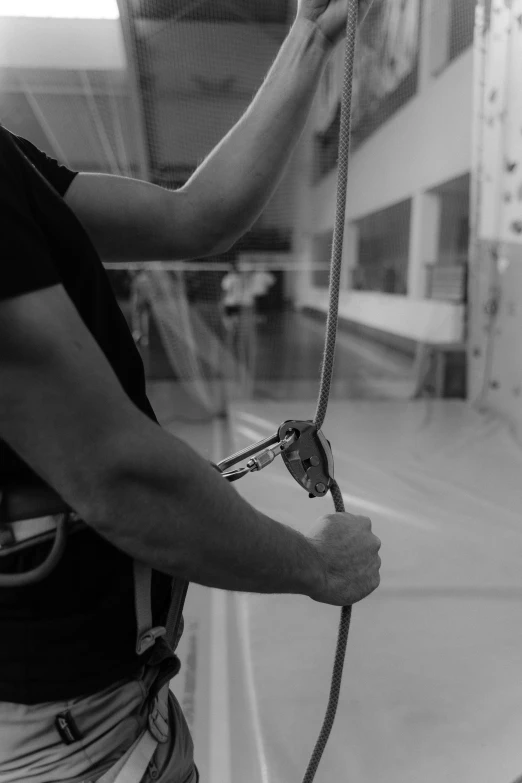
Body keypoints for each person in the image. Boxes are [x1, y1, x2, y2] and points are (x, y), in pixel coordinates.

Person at [0, 1, 381, 781]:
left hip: (101, 701)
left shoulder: (12, 166)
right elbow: (116, 476)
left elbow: (192, 219)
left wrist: (311, 31)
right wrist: (319, 567)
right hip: (64, 734)